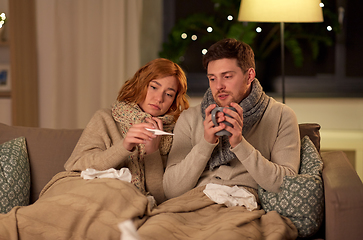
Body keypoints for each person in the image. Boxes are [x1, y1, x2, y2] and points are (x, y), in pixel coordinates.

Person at [163, 38, 300, 200]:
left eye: (227, 77)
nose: (218, 85)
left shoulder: (280, 115)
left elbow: (286, 184)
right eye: (212, 78)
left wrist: (239, 144)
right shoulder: (189, 118)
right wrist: (206, 144)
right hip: (192, 204)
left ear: (249, 76)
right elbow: (171, 190)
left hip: (243, 204)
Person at [65, 58, 189, 204]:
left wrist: (153, 152)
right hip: (94, 196)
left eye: (168, 94)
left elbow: (160, 199)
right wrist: (124, 146)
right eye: (154, 87)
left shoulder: (175, 134)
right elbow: (75, 165)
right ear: (141, 84)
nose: (159, 98)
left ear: (174, 100)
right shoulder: (105, 118)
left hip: (135, 206)